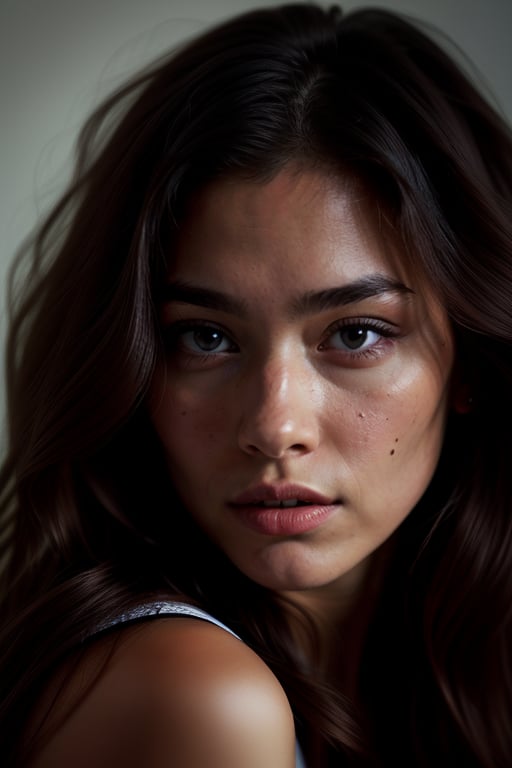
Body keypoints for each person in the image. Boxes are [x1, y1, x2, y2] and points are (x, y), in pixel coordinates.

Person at [1, 3, 511, 766]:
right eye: (205, 339)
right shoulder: (200, 699)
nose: (274, 427)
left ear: (467, 361)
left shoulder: (457, 671)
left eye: (355, 334)